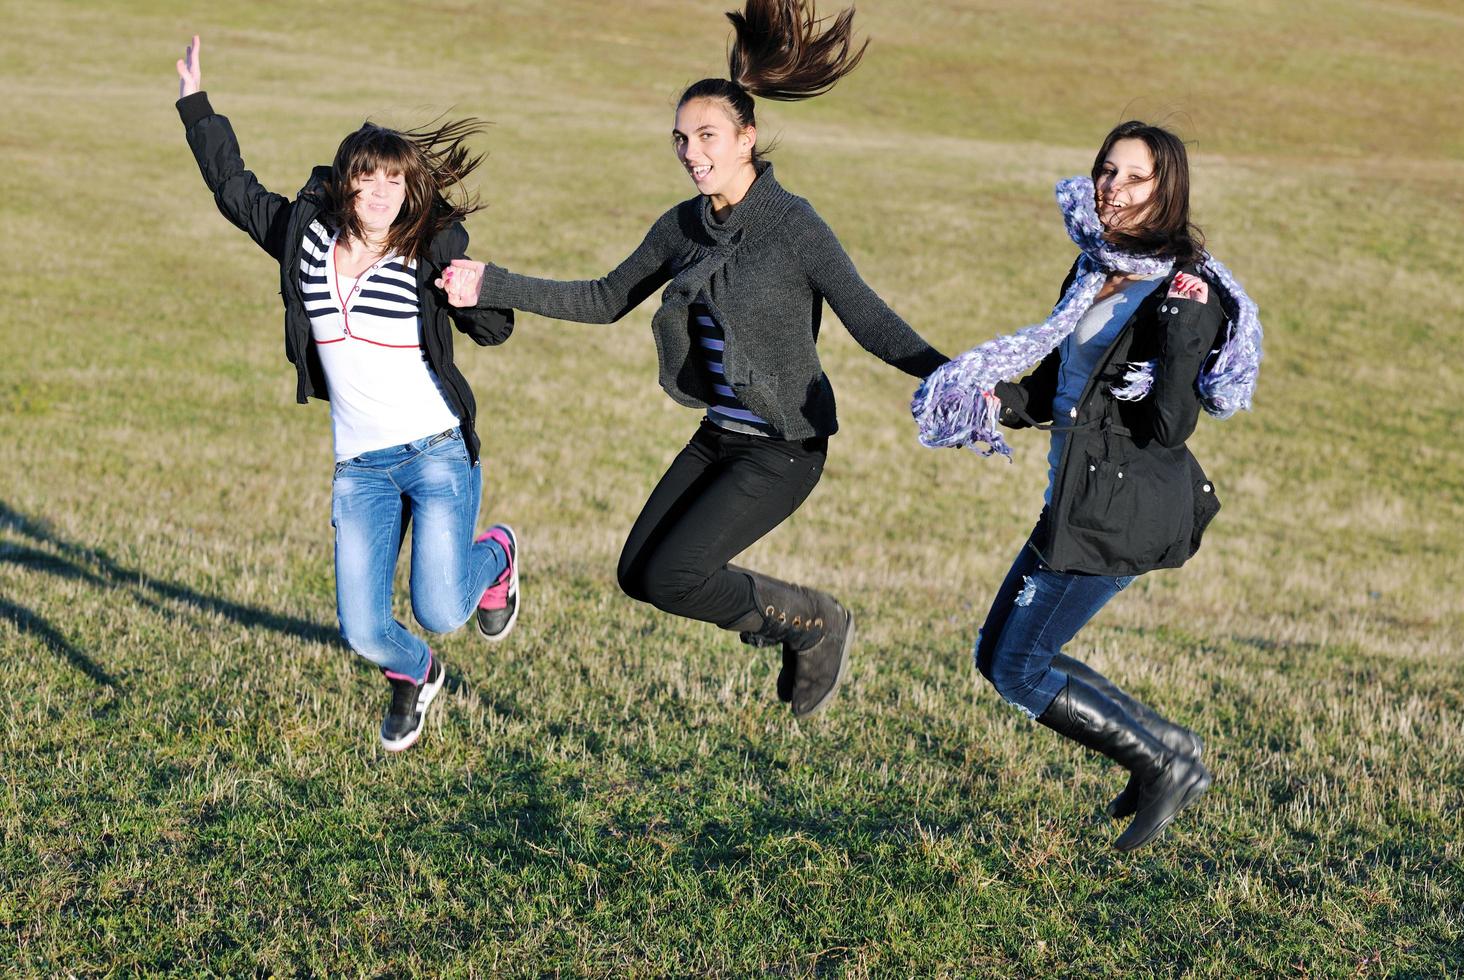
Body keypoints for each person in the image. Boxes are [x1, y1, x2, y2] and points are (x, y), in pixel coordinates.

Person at [440, 0, 948, 717]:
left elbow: (870, 321)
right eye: (680, 139)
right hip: (719, 438)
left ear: (747, 137)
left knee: (678, 575)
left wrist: (958, 376)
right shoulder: (682, 224)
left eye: (706, 136)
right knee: (639, 575)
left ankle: (812, 621)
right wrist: (492, 282)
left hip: (783, 447)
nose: (691, 153)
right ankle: (786, 620)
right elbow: (603, 297)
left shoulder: (794, 226)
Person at [912, 121, 1263, 850]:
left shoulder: (1185, 291)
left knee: (1017, 666)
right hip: (1077, 499)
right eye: (1107, 171)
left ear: (1167, 191)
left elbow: (1170, 423)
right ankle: (1168, 750)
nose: (1114, 190)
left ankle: (1163, 762)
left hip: (1123, 510)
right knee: (997, 655)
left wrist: (1175, 331)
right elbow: (1049, 391)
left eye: (1135, 179)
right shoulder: (1093, 268)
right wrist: (982, 397)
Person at [173, 36, 522, 752]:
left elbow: (496, 327)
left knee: (442, 607)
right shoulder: (305, 237)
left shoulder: (429, 250)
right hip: (361, 465)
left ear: (408, 188)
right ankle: (416, 673)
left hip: (435, 453)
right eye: (366, 180)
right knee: (365, 630)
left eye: (393, 182)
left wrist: (472, 295)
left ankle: (499, 555)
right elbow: (235, 190)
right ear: (345, 184)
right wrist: (195, 107)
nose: (380, 193)